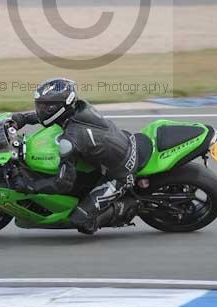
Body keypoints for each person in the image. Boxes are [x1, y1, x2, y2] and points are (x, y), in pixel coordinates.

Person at [9, 77, 138, 234]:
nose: (40, 110)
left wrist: (29, 186)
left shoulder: (71, 140)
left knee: (80, 219)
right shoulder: (77, 107)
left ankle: (124, 207)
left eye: (45, 107)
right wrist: (23, 119)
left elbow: (63, 183)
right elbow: (50, 116)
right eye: (40, 105)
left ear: (59, 107)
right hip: (118, 144)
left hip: (121, 172)